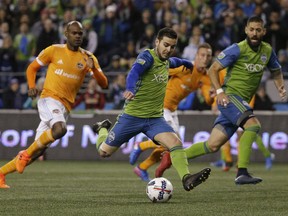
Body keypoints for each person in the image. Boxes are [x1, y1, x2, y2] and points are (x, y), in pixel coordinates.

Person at [156, 16, 287, 185]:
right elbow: (213, 69)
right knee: (253, 125)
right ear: (246, 30)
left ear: (264, 31)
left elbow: (276, 70)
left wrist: (280, 86)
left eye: (258, 30)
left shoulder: (267, 51)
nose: (254, 33)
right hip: (230, 97)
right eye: (252, 29)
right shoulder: (237, 49)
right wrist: (219, 92)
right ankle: (242, 172)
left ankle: (174, 157)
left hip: (239, 102)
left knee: (212, 145)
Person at [92, 27, 211, 192]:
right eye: (165, 45)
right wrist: (130, 88)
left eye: (172, 46)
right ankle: (102, 129)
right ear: (157, 42)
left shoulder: (167, 61)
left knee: (176, 143)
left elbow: (175, 61)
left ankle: (186, 178)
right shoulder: (147, 57)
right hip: (132, 117)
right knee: (104, 152)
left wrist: (186, 63)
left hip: (155, 119)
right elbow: (134, 72)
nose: (168, 49)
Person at [0, 21, 108, 189]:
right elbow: (31, 68)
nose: (78, 36)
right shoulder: (53, 50)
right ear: (66, 34)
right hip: (49, 99)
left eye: (80, 33)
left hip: (65, 107)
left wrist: (93, 69)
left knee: (38, 152)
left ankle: (1, 173)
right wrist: (31, 86)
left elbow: (104, 84)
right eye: (74, 33)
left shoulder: (88, 57)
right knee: (60, 130)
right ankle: (24, 155)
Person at [128, 43, 217, 181]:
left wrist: (212, 97)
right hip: (161, 106)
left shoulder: (205, 78)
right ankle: (141, 145)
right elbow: (161, 70)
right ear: (196, 56)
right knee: (172, 141)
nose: (205, 58)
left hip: (172, 110)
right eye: (202, 55)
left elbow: (207, 99)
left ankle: (142, 167)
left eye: (208, 56)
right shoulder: (185, 68)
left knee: (172, 146)